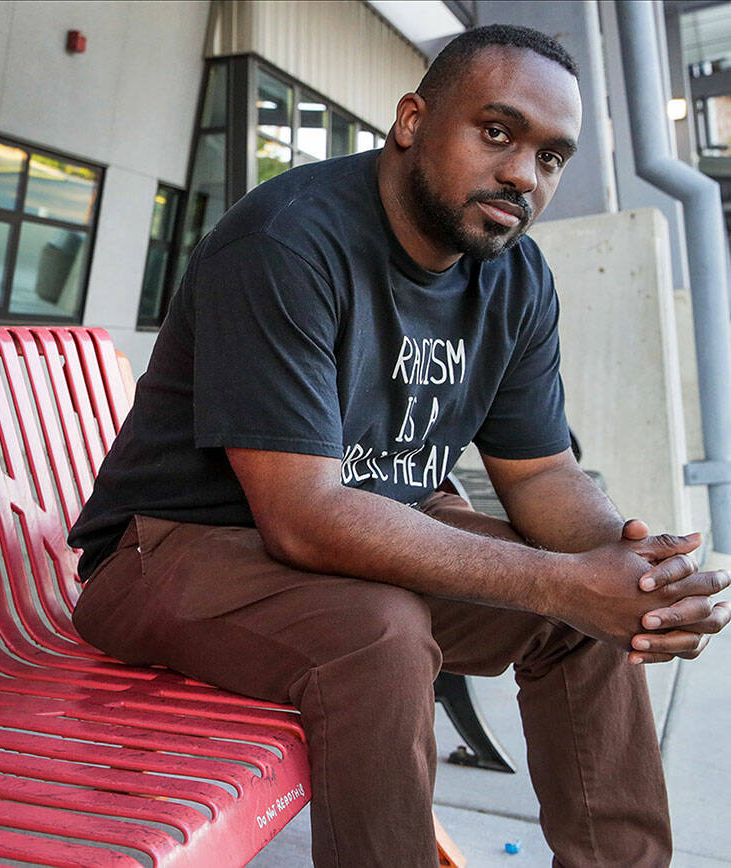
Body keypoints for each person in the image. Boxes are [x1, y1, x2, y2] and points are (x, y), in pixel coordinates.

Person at [67, 24, 730, 867]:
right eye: (498, 132)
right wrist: (563, 581)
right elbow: (303, 518)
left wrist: (634, 577)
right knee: (379, 631)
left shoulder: (514, 278)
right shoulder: (287, 242)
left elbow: (544, 474)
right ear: (412, 120)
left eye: (552, 157)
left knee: (584, 619)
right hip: (169, 555)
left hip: (361, 539)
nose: (524, 174)